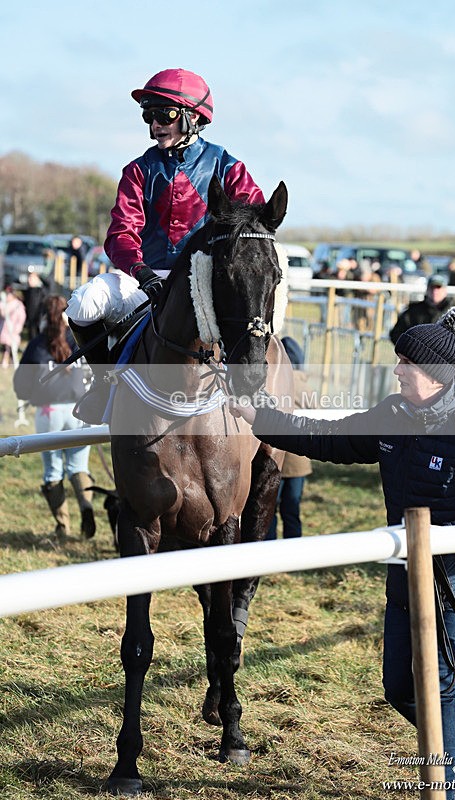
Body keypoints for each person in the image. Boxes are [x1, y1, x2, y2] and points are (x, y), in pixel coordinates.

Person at [230, 307, 455, 800]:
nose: (396, 369)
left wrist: (442, 538)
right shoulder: (392, 412)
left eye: (405, 362)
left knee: (437, 687)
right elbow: (331, 437)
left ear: (432, 374)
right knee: (398, 688)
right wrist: (260, 418)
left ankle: (443, 788)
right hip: (405, 574)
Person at [66, 68, 265, 424]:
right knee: (83, 303)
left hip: (203, 280)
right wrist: (141, 272)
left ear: (193, 117)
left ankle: (258, 391)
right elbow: (120, 232)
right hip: (145, 279)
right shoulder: (138, 170)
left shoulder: (227, 167)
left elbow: (254, 220)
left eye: (165, 115)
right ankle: (103, 382)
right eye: (149, 116)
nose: (155, 124)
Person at [13, 295, 96, 539]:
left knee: (53, 471)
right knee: (79, 466)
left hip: (49, 412)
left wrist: (30, 396)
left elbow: (21, 382)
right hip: (81, 411)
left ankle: (63, 528)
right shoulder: (81, 341)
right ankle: (87, 507)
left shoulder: (37, 344)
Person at [267, 337, 312, 540]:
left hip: (275, 457)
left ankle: (268, 545)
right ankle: (294, 545)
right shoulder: (305, 387)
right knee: (292, 506)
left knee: (270, 507)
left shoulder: (275, 382)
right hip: (299, 461)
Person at [389, 274, 453, 345]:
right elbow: (396, 334)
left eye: (438, 287)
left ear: (445, 291)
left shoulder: (453, 314)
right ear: (427, 290)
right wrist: (411, 349)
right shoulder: (413, 311)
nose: (435, 291)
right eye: (432, 288)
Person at [0, 286, 26, 368]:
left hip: (13, 329)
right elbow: (3, 314)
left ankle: (11, 360)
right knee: (6, 346)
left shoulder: (18, 305)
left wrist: (18, 328)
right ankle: (5, 359)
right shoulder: (4, 304)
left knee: (12, 346)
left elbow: (21, 317)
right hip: (5, 328)